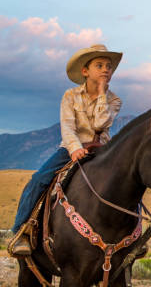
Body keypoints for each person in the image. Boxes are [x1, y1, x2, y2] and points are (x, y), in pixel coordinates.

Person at [9, 44, 122, 255]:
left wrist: (100, 93)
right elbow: (67, 127)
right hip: (71, 149)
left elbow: (100, 125)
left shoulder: (114, 100)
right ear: (85, 71)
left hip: (103, 150)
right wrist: (74, 149)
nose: (106, 69)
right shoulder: (70, 96)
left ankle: (133, 236)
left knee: (128, 178)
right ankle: (21, 232)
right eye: (99, 65)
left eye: (109, 66)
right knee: (39, 179)